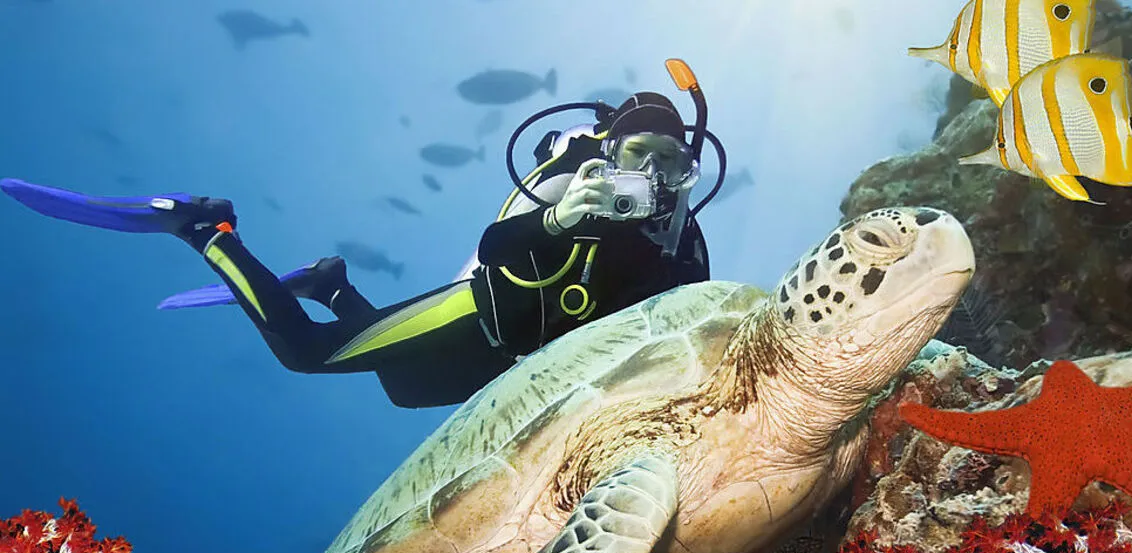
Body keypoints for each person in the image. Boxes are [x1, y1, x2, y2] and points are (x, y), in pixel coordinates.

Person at [1, 90, 718, 409]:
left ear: (690, 171)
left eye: (672, 164)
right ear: (612, 148)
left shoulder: (685, 242)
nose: (651, 176)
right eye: (638, 153)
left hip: (513, 363)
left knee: (402, 389)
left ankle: (329, 281)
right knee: (307, 353)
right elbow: (496, 245)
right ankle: (208, 228)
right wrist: (559, 219)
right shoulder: (577, 184)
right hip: (483, 311)